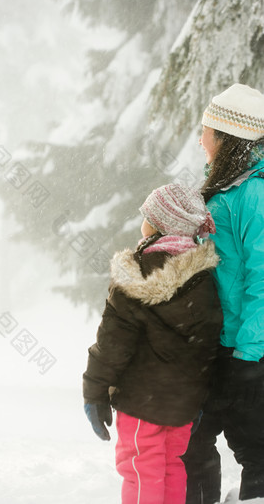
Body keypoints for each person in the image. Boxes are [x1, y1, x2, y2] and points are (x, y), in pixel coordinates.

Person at [83, 183, 223, 504]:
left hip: (140, 403)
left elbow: (112, 345)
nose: (142, 222)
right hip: (183, 404)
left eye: (147, 216)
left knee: (140, 468)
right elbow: (206, 346)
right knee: (172, 467)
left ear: (160, 225)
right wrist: (199, 398)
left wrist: (95, 392)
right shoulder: (204, 280)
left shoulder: (135, 274)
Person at [183, 83, 264, 503]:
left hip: (246, 351)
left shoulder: (255, 193)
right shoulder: (223, 188)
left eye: (206, 132)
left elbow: (263, 277)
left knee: (256, 451)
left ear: (227, 138)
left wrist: (250, 356)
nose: (200, 141)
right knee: (188, 442)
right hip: (217, 343)